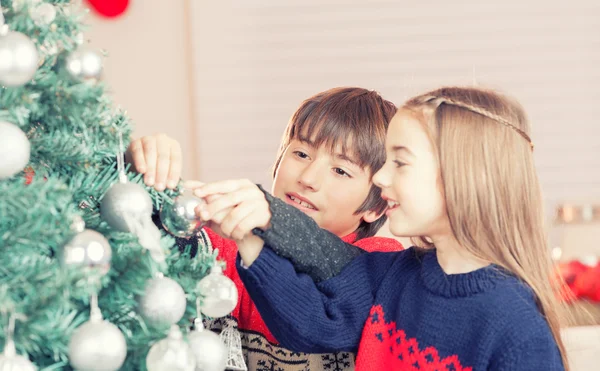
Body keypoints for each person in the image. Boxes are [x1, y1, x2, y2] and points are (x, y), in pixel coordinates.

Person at [198, 86, 569, 370]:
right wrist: (250, 235)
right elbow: (310, 324)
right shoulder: (393, 275)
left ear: (462, 179)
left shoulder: (515, 327)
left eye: (400, 163)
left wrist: (264, 216)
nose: (380, 176)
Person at [129, 87, 403, 370]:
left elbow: (316, 320)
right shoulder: (230, 245)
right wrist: (141, 177)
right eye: (301, 153)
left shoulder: (380, 265)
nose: (308, 178)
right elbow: (155, 245)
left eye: (341, 171)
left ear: (378, 207)